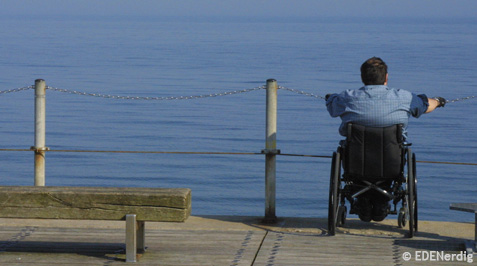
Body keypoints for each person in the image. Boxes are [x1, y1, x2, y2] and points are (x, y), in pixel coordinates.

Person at [325, 57, 446, 222]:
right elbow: (426, 105)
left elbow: (332, 107)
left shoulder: (347, 98)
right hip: (391, 162)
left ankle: (363, 201)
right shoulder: (404, 97)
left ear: (362, 77)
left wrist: (330, 97)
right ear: (386, 78)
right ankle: (381, 201)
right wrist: (439, 101)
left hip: (355, 162)